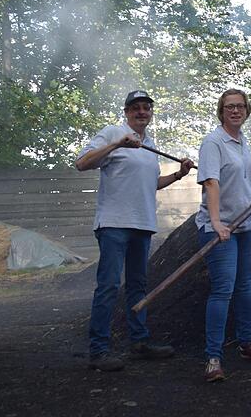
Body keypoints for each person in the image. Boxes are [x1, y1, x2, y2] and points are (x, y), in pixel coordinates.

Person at [76, 90, 194, 371]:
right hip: (114, 225)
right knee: (108, 286)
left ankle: (139, 342)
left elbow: (151, 183)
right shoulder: (113, 133)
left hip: (142, 225)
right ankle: (99, 351)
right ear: (127, 112)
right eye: (136, 108)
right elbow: (81, 163)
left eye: (147, 108)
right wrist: (117, 144)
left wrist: (179, 174)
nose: (142, 112)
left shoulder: (149, 145)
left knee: (138, 287)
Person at [196, 89, 251, 382]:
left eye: (240, 106)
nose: (235, 110)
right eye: (230, 106)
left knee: (245, 285)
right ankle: (213, 357)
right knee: (223, 289)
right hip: (221, 229)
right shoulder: (213, 142)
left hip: (248, 226)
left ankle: (247, 342)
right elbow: (211, 183)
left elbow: (242, 180)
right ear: (221, 111)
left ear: (247, 110)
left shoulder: (243, 142)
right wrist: (217, 222)